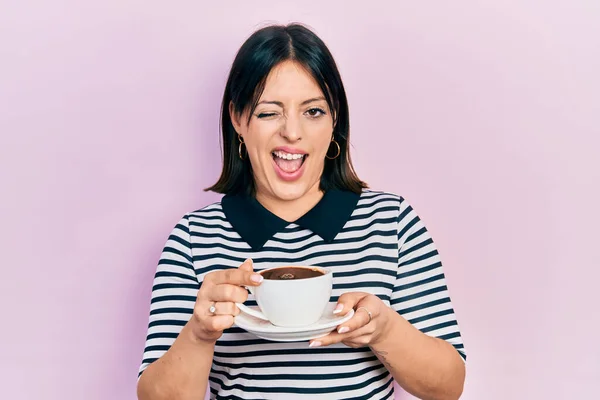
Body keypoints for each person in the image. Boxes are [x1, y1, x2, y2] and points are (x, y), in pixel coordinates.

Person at [137, 23, 466, 400]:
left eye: (312, 111)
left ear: (334, 120)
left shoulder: (392, 223)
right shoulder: (194, 238)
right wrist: (199, 334)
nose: (292, 133)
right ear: (238, 119)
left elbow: (448, 386)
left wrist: (384, 330)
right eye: (268, 113)